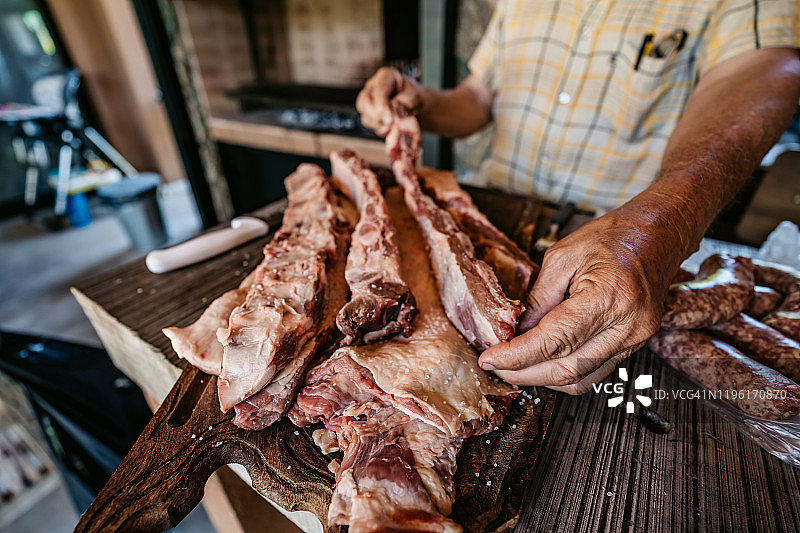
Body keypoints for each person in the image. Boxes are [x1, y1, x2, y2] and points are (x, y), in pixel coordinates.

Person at [356, 1, 800, 393]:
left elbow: (761, 70)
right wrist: (421, 103)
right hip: (491, 216)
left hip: (615, 257)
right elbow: (476, 99)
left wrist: (663, 225)